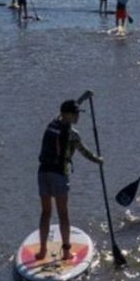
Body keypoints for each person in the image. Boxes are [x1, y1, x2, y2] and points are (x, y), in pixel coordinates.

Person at [35, 98, 103, 261]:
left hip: (43, 172)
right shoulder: (73, 134)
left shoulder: (51, 124)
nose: (78, 116)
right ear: (68, 114)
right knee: (63, 214)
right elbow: (85, 152)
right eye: (75, 113)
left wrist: (82, 98)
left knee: (45, 213)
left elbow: (60, 115)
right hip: (59, 175)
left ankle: (42, 250)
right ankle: (66, 252)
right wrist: (98, 160)